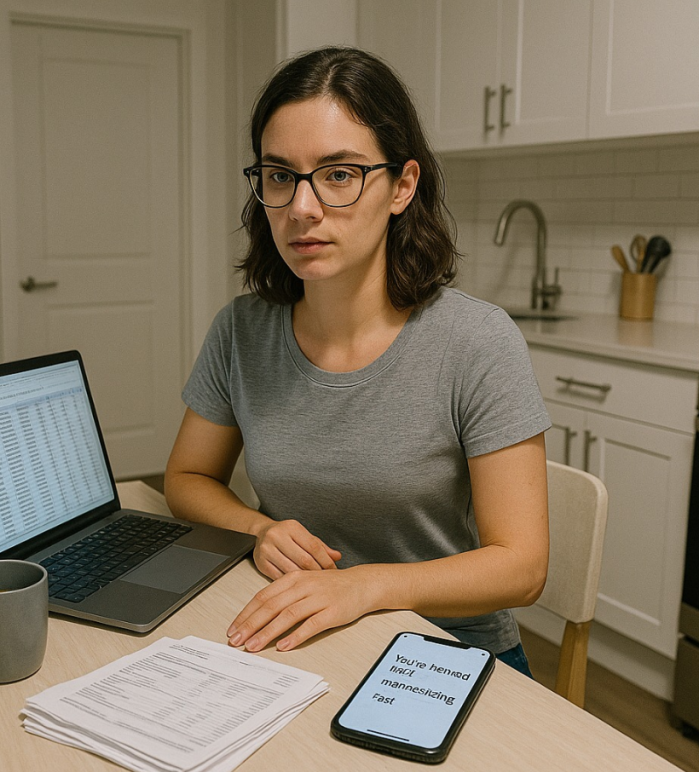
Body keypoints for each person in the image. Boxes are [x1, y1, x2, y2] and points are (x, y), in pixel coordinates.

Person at [164, 46, 551, 676]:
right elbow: (187, 479)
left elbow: (523, 566)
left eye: (339, 174)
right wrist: (256, 528)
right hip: (297, 638)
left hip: (447, 653)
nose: (302, 208)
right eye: (280, 175)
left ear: (402, 186)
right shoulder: (240, 331)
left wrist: (364, 587)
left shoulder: (477, 342)